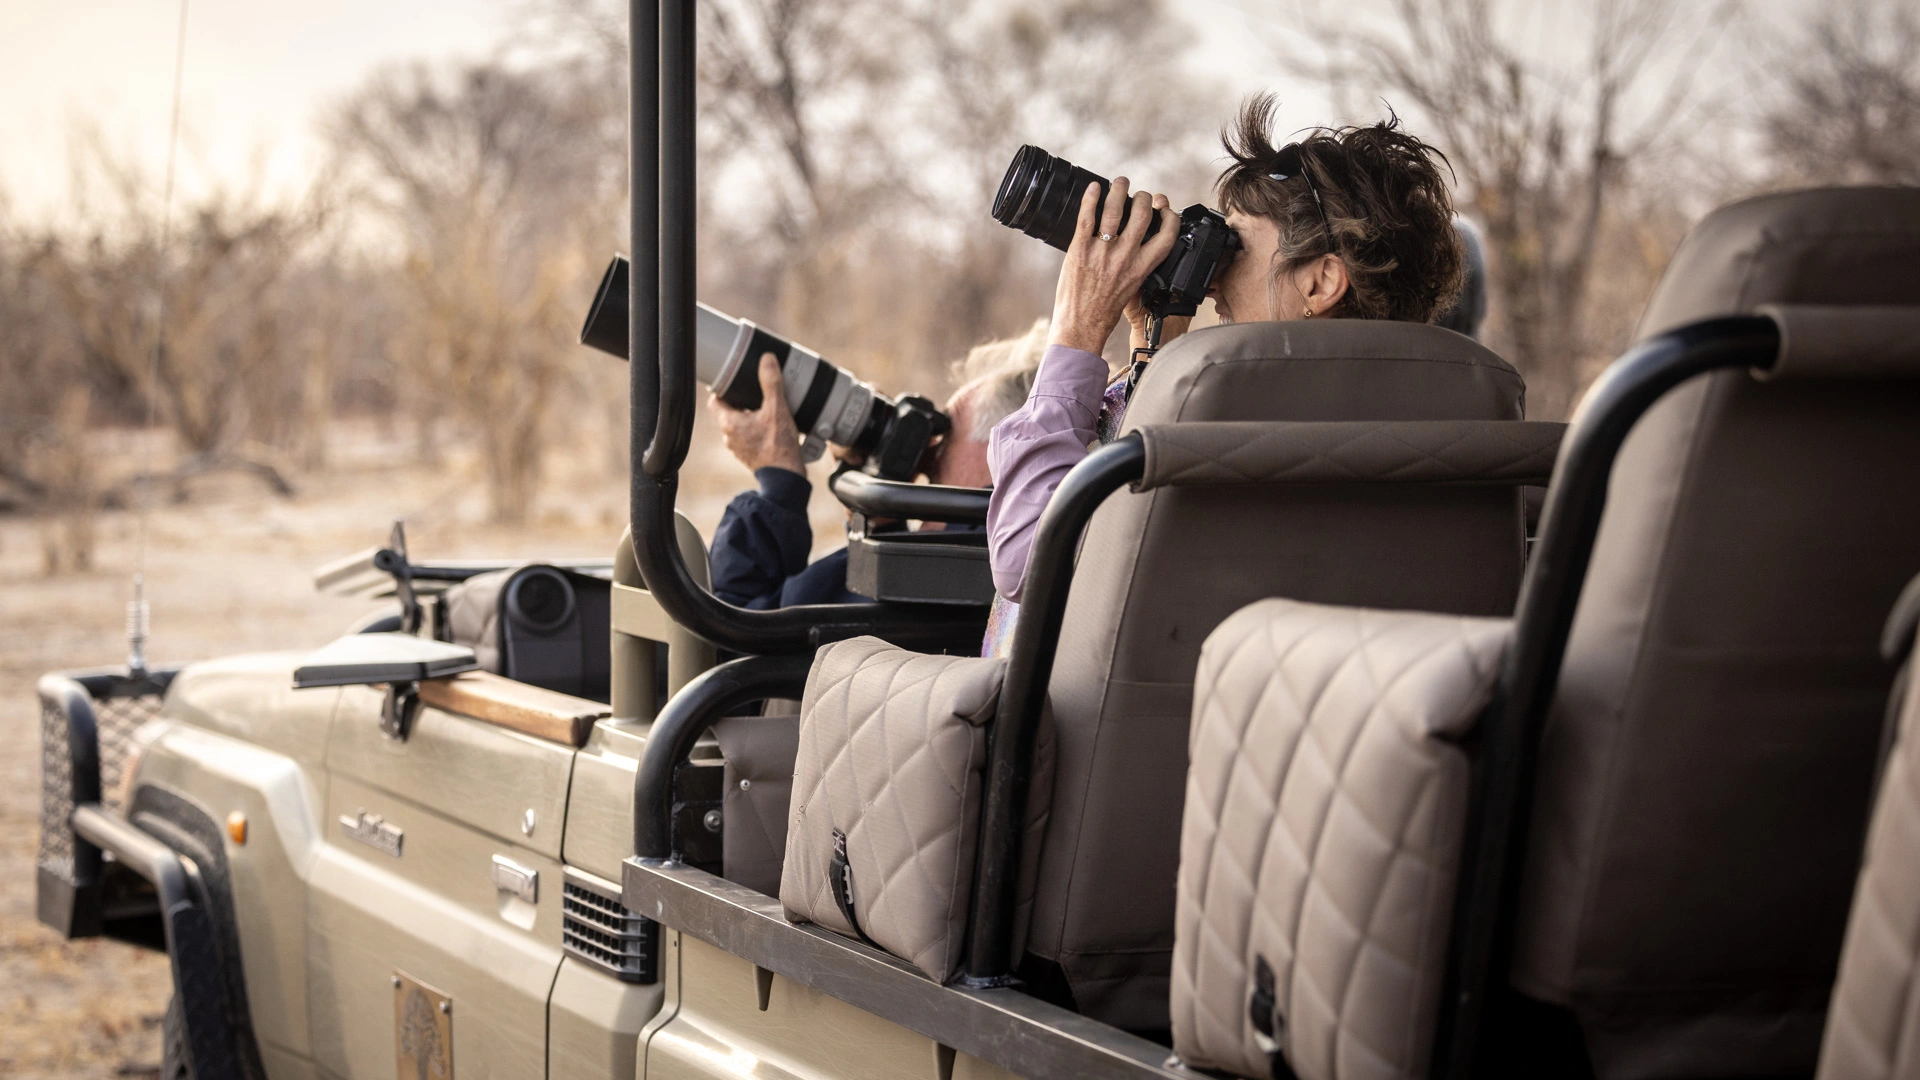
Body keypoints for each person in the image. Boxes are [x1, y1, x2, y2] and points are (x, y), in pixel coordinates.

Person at [985, 97, 1466, 617]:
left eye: (1233, 244)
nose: (1213, 276)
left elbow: (1026, 559)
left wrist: (1076, 334)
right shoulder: (1432, 428)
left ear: (1321, 282)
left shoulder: (1241, 423)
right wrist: (1156, 350)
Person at [707, 321, 1048, 610]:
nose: (927, 452)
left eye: (947, 431)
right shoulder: (1020, 556)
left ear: (1003, 447)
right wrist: (885, 524)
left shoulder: (949, 568)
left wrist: (778, 480)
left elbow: (733, 624)